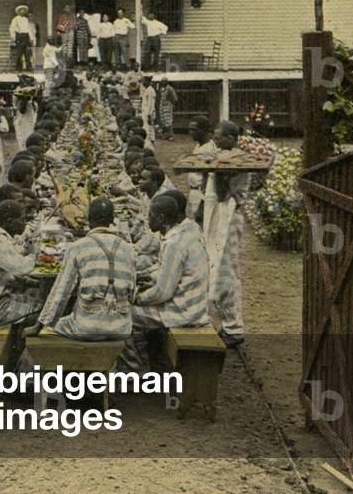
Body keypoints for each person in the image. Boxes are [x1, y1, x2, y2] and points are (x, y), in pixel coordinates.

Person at [27, 198, 136, 340]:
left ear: (88, 219)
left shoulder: (78, 247)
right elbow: (131, 294)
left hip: (86, 327)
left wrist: (41, 324)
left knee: (53, 327)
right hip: (122, 327)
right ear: (112, 220)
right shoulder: (128, 249)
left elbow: (61, 291)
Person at [124, 192, 210, 369]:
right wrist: (143, 277)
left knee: (123, 314)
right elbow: (166, 272)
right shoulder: (187, 230)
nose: (148, 220)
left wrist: (135, 298)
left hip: (182, 312)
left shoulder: (174, 244)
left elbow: (162, 293)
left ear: (162, 218)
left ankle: (138, 370)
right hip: (193, 305)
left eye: (150, 216)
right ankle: (151, 359)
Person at [204, 120, 249, 347]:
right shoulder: (226, 156)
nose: (215, 140)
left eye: (220, 136)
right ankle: (228, 323)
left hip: (229, 215)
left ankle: (233, 327)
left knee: (226, 271)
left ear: (232, 138)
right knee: (218, 266)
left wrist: (215, 169)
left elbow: (222, 193)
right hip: (220, 215)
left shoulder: (235, 159)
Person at [186, 115, 216, 221]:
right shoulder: (199, 146)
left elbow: (208, 177)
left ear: (204, 130)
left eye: (194, 130)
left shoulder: (209, 150)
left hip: (201, 193)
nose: (191, 133)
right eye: (190, 129)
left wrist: (203, 202)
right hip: (194, 192)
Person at [9, 5, 33, 72]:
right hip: (19, 36)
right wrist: (13, 37)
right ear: (18, 12)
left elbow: (28, 29)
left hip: (26, 36)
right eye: (21, 10)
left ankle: (28, 68)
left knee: (27, 53)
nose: (22, 11)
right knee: (19, 53)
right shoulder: (15, 19)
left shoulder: (26, 19)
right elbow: (12, 29)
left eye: (24, 10)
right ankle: (19, 68)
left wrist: (31, 37)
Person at [141, 75, 157, 147]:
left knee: (149, 127)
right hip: (145, 111)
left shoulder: (150, 90)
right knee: (147, 127)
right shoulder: (146, 90)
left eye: (144, 81)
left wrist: (149, 114)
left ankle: (151, 143)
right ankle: (150, 142)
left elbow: (151, 104)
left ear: (148, 82)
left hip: (149, 112)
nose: (143, 82)